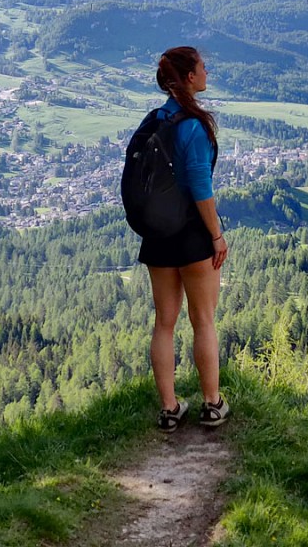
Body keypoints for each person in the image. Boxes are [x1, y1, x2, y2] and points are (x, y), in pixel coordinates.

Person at [139, 46, 230, 431]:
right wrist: (216, 235)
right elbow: (200, 186)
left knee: (164, 323)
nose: (208, 72)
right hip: (193, 236)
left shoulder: (154, 120)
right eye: (203, 67)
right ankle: (212, 405)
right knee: (204, 321)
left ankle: (170, 409)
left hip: (158, 237)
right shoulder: (194, 125)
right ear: (189, 77)